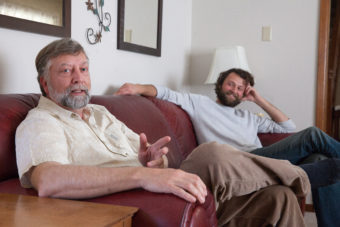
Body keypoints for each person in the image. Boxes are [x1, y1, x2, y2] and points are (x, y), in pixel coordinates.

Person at [15, 38, 310, 227]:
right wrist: (143, 175)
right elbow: (49, 180)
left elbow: (154, 165)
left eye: (84, 69)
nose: (79, 79)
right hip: (135, 205)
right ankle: (305, 176)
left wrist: (153, 162)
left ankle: (292, 181)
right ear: (44, 83)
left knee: (279, 198)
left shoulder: (101, 113)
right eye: (66, 71)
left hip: (165, 193)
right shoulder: (40, 121)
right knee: (210, 153)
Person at [116, 68, 340, 226]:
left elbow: (287, 126)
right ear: (220, 85)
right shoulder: (200, 103)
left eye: (241, 88)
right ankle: (303, 175)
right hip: (233, 162)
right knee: (313, 135)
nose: (235, 89)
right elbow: (165, 93)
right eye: (231, 84)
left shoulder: (250, 117)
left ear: (245, 94)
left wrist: (258, 100)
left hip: (261, 159)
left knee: (319, 158)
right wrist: (137, 87)